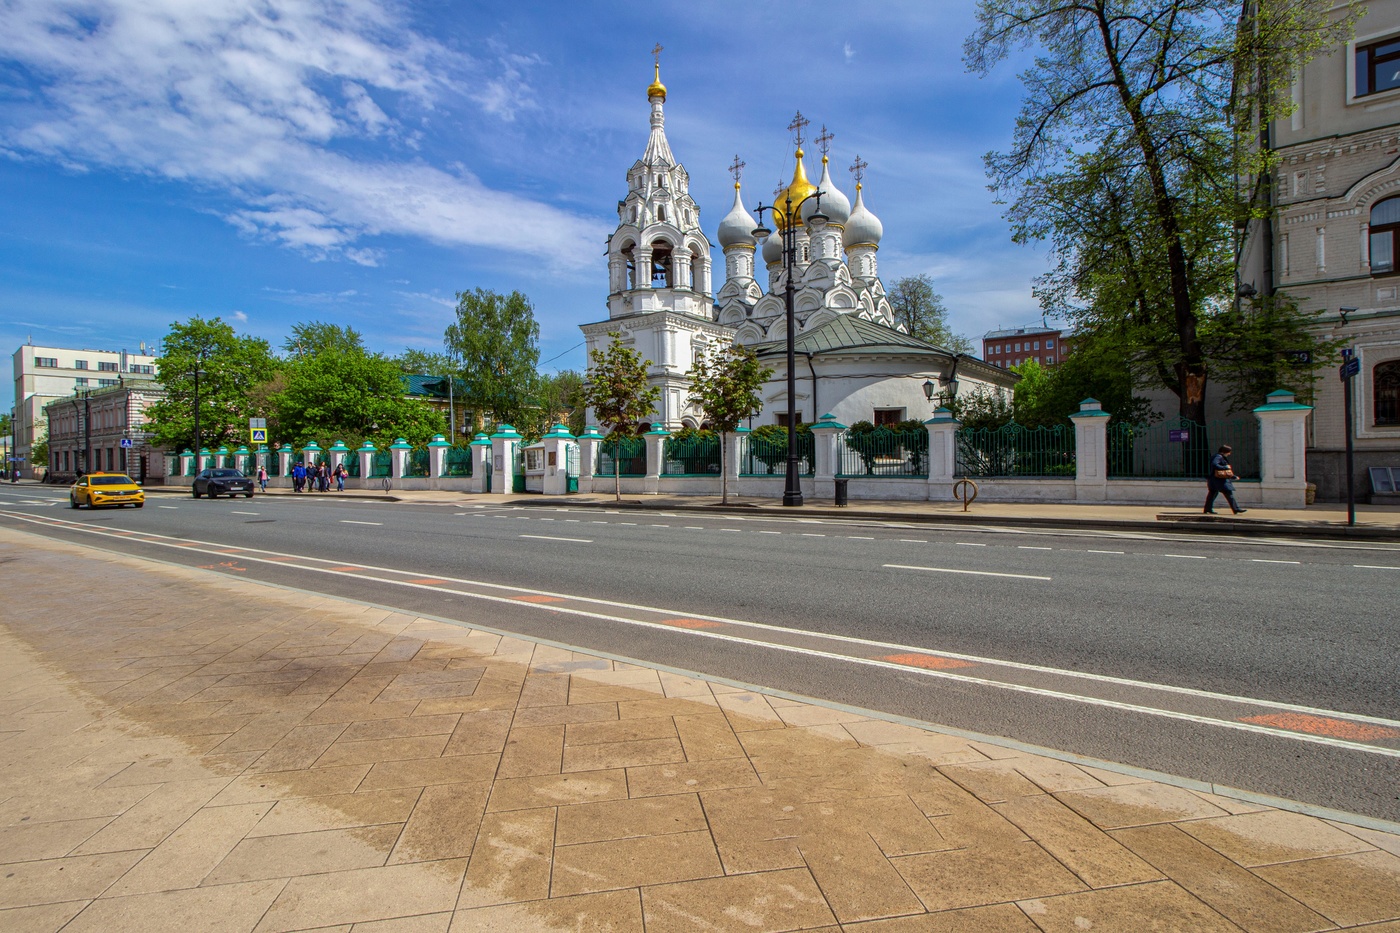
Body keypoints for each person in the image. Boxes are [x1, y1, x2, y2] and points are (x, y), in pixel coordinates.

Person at [1204, 444, 1247, 515]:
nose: (1229, 454)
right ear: (1224, 451)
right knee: (1229, 494)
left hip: (1213, 480)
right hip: (1220, 481)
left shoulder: (1217, 456)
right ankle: (1236, 509)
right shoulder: (1218, 457)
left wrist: (1233, 476)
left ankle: (1207, 509)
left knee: (1212, 494)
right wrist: (1225, 467)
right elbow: (1215, 465)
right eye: (1228, 452)